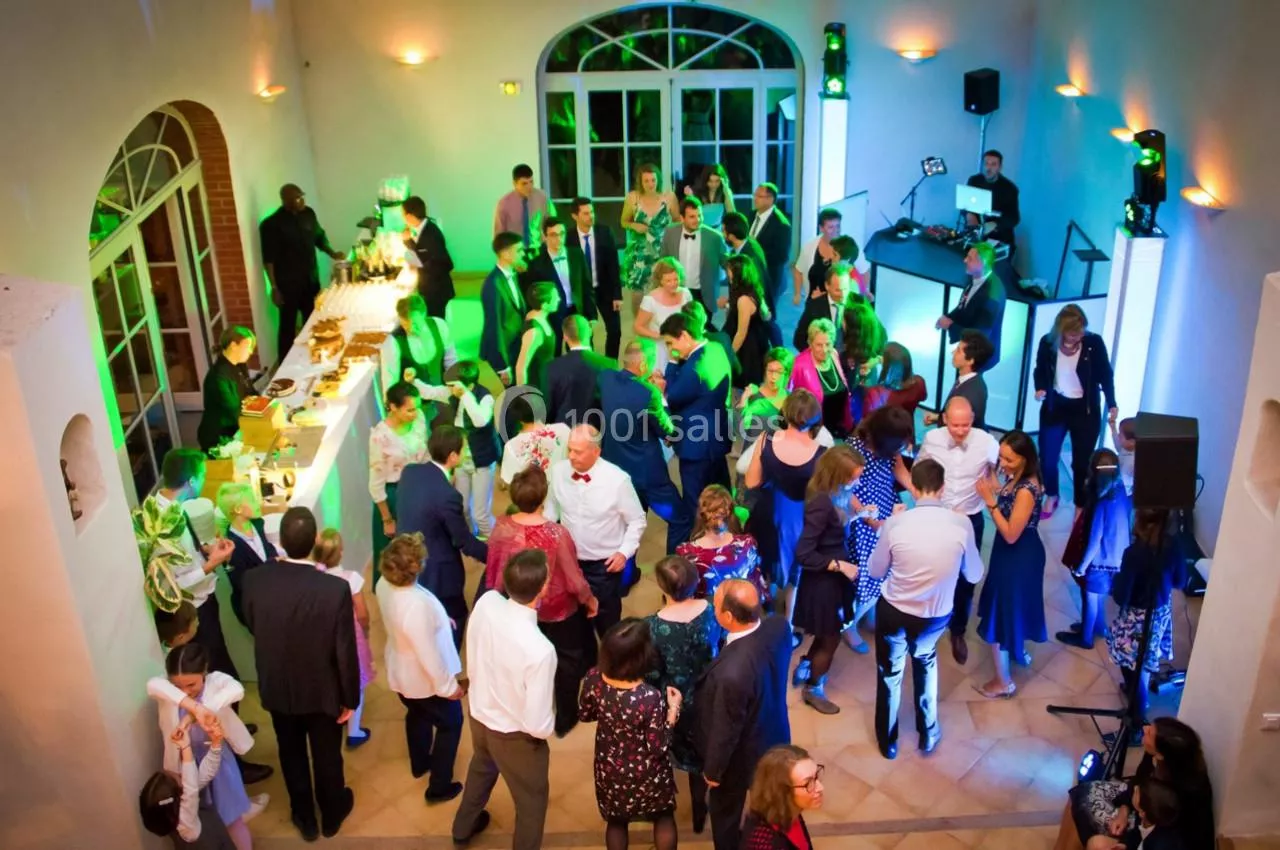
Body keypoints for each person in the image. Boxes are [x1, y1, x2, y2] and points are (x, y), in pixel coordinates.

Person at [241, 507, 359, 841]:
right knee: (326, 754)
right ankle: (332, 813)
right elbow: (344, 650)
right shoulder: (334, 588)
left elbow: (251, 621)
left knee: (290, 752)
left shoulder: (254, 580)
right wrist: (350, 698)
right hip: (322, 689)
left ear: (281, 541)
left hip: (277, 684)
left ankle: (303, 816)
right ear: (314, 541)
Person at [868, 458, 985, 758]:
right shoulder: (961, 524)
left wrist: (890, 526)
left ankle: (888, 742)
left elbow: (875, 571)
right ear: (943, 488)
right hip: (934, 615)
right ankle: (928, 733)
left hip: (894, 610)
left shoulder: (896, 523)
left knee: (889, 673)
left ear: (914, 488)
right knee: (925, 662)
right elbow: (974, 574)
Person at [451, 550, 557, 850]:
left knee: (481, 768)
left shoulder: (486, 603)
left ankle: (462, 827)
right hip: (514, 738)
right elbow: (537, 724)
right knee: (531, 802)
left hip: (479, 715)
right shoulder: (540, 650)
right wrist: (547, 728)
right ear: (542, 589)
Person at [485, 466, 597, 738]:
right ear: (543, 498)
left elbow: (494, 569)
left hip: (518, 604)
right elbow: (573, 579)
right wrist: (589, 599)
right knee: (567, 662)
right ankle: (565, 718)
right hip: (557, 610)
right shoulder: (557, 534)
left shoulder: (501, 527)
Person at [693, 579, 792, 850]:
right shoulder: (779, 627)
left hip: (741, 755)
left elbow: (726, 728)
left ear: (727, 617)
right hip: (775, 733)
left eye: (715, 604)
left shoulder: (732, 673)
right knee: (769, 801)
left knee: (725, 810)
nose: (712, 606)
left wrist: (713, 771)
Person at [374, 533, 466, 804]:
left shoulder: (383, 584)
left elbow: (414, 625)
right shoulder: (415, 606)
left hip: (401, 670)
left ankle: (420, 762)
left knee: (416, 714)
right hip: (421, 680)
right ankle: (438, 786)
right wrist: (448, 688)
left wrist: (440, 619)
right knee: (451, 723)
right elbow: (429, 656)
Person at [146, 644, 264, 850]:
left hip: (218, 762)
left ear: (205, 671)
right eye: (177, 686)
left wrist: (199, 711)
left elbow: (237, 689)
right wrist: (191, 705)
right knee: (200, 817)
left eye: (191, 684)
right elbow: (153, 685)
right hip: (185, 765)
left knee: (232, 819)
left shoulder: (216, 682)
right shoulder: (165, 688)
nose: (185, 691)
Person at [579, 620, 681, 850]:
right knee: (663, 817)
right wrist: (673, 712)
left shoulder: (593, 679)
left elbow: (585, 714)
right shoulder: (649, 697)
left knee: (616, 822)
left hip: (610, 769)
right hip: (649, 773)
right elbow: (658, 746)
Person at [916, 397, 999, 665]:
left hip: (970, 518)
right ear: (944, 420)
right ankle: (927, 621)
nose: (961, 430)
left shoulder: (988, 443)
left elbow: (997, 475)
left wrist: (991, 485)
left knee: (966, 578)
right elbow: (919, 469)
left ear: (973, 420)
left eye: (966, 425)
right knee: (931, 570)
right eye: (955, 425)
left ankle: (958, 630)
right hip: (937, 515)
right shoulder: (932, 439)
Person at [544, 425, 647, 638]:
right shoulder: (558, 471)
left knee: (607, 621)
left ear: (596, 452)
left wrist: (624, 553)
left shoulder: (617, 480)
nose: (571, 456)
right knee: (575, 620)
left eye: (578, 451)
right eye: (569, 449)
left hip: (603, 566)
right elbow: (551, 510)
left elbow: (637, 520)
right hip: (569, 561)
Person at [645, 555, 722, 836]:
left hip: (676, 701)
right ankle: (702, 807)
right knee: (708, 749)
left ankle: (680, 803)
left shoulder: (652, 626)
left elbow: (653, 672)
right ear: (696, 580)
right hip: (711, 693)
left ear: (662, 587)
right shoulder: (712, 610)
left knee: (682, 754)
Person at [1058, 717, 1213, 850]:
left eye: (1150, 733)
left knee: (1095, 841)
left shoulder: (1176, 797)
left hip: (1152, 830)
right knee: (1081, 795)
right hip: (1141, 808)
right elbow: (1137, 781)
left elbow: (1154, 836)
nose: (1144, 728)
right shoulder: (1154, 756)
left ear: (1161, 755)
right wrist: (1123, 811)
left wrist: (1126, 842)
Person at [396, 424, 488, 647]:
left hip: (403, 560)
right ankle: (448, 661)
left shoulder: (410, 472)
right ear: (453, 457)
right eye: (464, 449)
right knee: (456, 615)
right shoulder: (448, 496)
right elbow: (464, 541)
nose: (467, 452)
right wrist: (496, 554)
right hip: (435, 570)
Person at [598, 339, 692, 551]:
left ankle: (628, 567)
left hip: (615, 468)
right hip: (647, 475)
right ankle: (673, 565)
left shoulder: (606, 378)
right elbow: (669, 431)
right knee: (681, 519)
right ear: (643, 365)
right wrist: (660, 395)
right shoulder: (649, 393)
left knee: (629, 525)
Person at [153, 449, 238, 680]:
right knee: (217, 670)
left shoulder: (175, 507)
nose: (204, 481)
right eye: (202, 476)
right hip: (193, 608)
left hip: (203, 597)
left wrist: (206, 550)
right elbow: (174, 583)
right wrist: (212, 564)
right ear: (191, 481)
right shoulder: (165, 523)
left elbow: (185, 555)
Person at [744, 390, 826, 629]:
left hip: (767, 512)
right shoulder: (820, 453)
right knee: (794, 573)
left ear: (786, 411)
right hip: (798, 519)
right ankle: (787, 625)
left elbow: (751, 482)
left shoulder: (766, 439)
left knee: (765, 560)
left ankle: (765, 606)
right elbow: (820, 496)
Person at [974, 431, 1047, 698]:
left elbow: (1010, 533)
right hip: (1014, 553)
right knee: (1014, 607)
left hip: (1018, 556)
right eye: (1001, 457)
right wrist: (993, 480)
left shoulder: (1027, 490)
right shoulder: (1019, 476)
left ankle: (1003, 681)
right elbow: (1006, 495)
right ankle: (1017, 651)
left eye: (1009, 459)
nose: (1003, 464)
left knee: (1001, 610)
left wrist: (990, 503)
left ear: (1026, 459)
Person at [792, 446, 864, 715]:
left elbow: (835, 525)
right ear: (837, 475)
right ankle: (813, 688)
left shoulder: (833, 494)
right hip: (824, 583)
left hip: (833, 578)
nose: (857, 483)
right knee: (831, 637)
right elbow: (803, 553)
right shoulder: (821, 504)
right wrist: (839, 566)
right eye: (853, 478)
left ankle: (806, 664)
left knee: (825, 633)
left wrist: (858, 515)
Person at [1034, 303, 1118, 520]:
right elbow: (1040, 370)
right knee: (1048, 457)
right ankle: (1052, 494)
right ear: (1061, 331)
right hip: (1056, 406)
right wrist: (1040, 388)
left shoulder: (1093, 343)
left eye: (1081, 332)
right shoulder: (1047, 343)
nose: (1078, 337)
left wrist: (1112, 402)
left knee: (1081, 462)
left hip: (1085, 410)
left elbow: (1106, 375)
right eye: (1072, 334)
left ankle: (1080, 504)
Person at [843, 406, 916, 651]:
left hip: (886, 509)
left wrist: (919, 493)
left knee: (887, 569)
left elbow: (899, 470)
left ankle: (869, 611)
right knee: (866, 575)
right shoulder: (854, 449)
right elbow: (848, 492)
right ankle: (850, 624)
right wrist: (870, 519)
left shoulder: (891, 448)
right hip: (864, 520)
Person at [1107, 509, 1186, 723]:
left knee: (1130, 665)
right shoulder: (1174, 546)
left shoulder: (1134, 553)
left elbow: (1121, 596)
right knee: (1144, 660)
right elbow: (1180, 581)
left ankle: (1136, 722)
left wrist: (1116, 579)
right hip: (1159, 612)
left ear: (1139, 521)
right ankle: (1136, 696)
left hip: (1136, 617)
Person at [661, 310, 734, 519]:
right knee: (722, 497)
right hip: (717, 440)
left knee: (696, 504)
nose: (670, 349)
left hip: (695, 446)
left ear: (684, 336)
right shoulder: (716, 348)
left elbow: (672, 397)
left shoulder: (694, 368)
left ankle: (700, 537)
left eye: (670, 343)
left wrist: (671, 366)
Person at [259, 183, 344, 363]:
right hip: (288, 284)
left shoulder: (308, 214)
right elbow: (269, 259)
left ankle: (313, 355)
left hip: (310, 278)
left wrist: (332, 253)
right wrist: (274, 287)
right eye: (297, 198)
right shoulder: (271, 224)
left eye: (302, 196)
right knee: (288, 325)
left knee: (312, 319)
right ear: (286, 201)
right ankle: (285, 363)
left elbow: (319, 237)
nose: (302, 201)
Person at [1059, 449, 1132, 648]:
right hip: (1118, 558)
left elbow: (1094, 540)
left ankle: (1085, 638)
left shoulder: (1101, 503)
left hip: (1100, 560)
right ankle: (1098, 627)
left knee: (1089, 596)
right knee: (1100, 594)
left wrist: (1081, 567)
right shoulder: (1123, 493)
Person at [311, 529, 374, 748]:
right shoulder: (351, 578)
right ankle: (354, 731)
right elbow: (362, 613)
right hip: (351, 636)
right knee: (356, 681)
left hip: (322, 637)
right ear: (341, 553)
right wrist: (366, 630)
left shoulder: (313, 579)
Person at [139, 724, 236, 849]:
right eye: (180, 778)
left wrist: (216, 744)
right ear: (179, 796)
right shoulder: (187, 825)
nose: (182, 775)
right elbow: (191, 788)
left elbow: (204, 775)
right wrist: (185, 747)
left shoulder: (174, 814)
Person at [368, 381, 428, 581]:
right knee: (398, 554)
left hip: (419, 488)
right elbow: (376, 482)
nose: (415, 413)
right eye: (410, 410)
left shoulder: (419, 419)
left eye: (417, 408)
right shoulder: (380, 437)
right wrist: (387, 519)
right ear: (393, 407)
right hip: (396, 495)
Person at [676, 484, 768, 604]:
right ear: (730, 514)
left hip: (707, 614)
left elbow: (684, 596)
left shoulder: (686, 553)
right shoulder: (747, 544)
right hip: (741, 610)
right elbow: (757, 586)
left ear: (701, 514)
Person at [444, 360, 499, 539]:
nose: (450, 389)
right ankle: (472, 539)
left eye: (453, 385)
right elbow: (432, 392)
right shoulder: (453, 394)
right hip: (462, 460)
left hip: (482, 460)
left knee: (480, 514)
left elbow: (480, 421)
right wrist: (413, 382)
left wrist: (466, 396)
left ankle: (497, 544)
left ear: (467, 385)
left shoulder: (485, 397)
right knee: (463, 509)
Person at [523, 217, 592, 353]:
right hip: (552, 314)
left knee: (582, 351)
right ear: (545, 237)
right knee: (554, 351)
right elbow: (534, 296)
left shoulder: (577, 254)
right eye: (553, 235)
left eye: (562, 234)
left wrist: (591, 316)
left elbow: (586, 286)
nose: (559, 239)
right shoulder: (537, 264)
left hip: (576, 310)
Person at [381, 293, 458, 412]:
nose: (411, 329)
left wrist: (456, 387)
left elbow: (451, 361)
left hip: (444, 399)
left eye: (415, 324)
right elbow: (390, 381)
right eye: (405, 325)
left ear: (424, 314)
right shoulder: (393, 342)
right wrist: (391, 409)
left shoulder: (440, 325)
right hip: (414, 409)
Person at [567, 197, 624, 358]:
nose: (590, 216)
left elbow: (614, 264)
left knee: (615, 330)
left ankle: (610, 363)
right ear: (575, 216)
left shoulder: (604, 232)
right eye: (585, 213)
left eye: (591, 212)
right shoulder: (568, 238)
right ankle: (588, 364)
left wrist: (617, 295)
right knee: (584, 333)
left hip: (604, 289)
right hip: (582, 293)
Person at [217, 482, 279, 629]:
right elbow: (244, 583)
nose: (258, 503)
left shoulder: (258, 524)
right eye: (252, 499)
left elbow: (268, 549)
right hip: (256, 609)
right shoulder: (230, 548)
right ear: (238, 509)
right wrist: (272, 564)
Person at [621, 162, 681, 313]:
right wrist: (634, 225)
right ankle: (639, 323)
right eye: (646, 181)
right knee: (637, 291)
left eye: (653, 180)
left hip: (662, 251)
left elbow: (677, 220)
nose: (650, 184)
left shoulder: (669, 197)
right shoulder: (633, 198)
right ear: (640, 182)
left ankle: (662, 322)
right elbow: (623, 221)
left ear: (658, 180)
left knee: (663, 288)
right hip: (639, 252)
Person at [936, 243, 1006, 371]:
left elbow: (980, 336)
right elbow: (964, 306)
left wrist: (950, 325)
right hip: (968, 350)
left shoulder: (991, 298)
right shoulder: (976, 278)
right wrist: (948, 318)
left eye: (970, 258)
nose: (965, 260)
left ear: (982, 263)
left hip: (979, 358)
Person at [739, 745, 824, 850]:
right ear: (783, 792)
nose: (820, 787)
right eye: (808, 783)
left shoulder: (789, 812)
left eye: (816, 777)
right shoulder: (766, 842)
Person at [661, 196, 728, 324]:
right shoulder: (670, 232)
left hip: (704, 294)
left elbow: (727, 264)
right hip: (677, 290)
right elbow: (663, 261)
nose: (697, 220)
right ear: (682, 218)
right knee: (677, 328)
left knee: (703, 329)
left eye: (699, 215)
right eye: (692, 216)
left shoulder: (715, 237)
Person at [197, 327, 257, 453]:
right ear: (233, 345)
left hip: (236, 427)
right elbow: (233, 410)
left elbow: (250, 392)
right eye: (248, 346)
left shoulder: (240, 364)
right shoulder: (218, 376)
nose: (251, 351)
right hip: (220, 437)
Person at [479, 231, 527, 386]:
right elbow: (494, 326)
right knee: (513, 395)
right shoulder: (493, 285)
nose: (523, 254)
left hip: (515, 347)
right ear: (506, 254)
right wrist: (502, 366)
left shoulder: (513, 275)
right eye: (519, 250)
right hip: (504, 352)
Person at [789, 319, 850, 439]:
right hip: (813, 433)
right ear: (810, 343)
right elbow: (790, 400)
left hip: (837, 429)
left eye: (828, 344)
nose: (824, 350)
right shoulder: (798, 365)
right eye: (819, 345)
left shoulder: (833, 355)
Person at [546, 315, 612, 426]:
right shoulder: (610, 365)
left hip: (564, 429)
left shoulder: (552, 367)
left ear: (565, 337)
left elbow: (549, 407)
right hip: (598, 428)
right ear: (590, 332)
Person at [634, 256, 694, 375]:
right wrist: (658, 335)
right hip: (661, 350)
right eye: (668, 281)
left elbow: (692, 319)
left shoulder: (686, 294)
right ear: (660, 281)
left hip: (684, 348)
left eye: (676, 279)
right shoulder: (650, 300)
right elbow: (638, 326)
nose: (673, 284)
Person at [926, 330, 994, 430]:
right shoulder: (969, 380)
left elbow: (959, 429)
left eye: (958, 351)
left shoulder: (970, 395)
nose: (953, 352)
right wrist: (938, 418)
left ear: (970, 360)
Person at [722, 253, 773, 388]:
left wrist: (729, 356)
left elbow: (741, 333)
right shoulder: (752, 289)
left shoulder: (744, 300)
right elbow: (766, 315)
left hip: (747, 350)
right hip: (755, 342)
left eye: (729, 270)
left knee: (742, 385)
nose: (727, 273)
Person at [401, 195, 455, 319]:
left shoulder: (430, 234)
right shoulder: (424, 228)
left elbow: (426, 262)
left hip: (436, 290)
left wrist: (408, 242)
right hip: (433, 286)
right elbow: (422, 256)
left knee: (436, 321)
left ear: (409, 216)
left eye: (403, 215)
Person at [498, 395, 570, 485]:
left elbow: (511, 482)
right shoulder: (563, 430)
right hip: (562, 490)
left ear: (519, 418)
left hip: (534, 493)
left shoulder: (512, 446)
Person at [842, 297, 889, 425]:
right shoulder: (868, 330)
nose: (842, 322)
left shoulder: (877, 331)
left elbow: (886, 355)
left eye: (844, 320)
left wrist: (875, 361)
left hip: (863, 382)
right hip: (858, 380)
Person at [722, 210, 775, 316]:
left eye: (723, 231)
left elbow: (752, 292)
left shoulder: (749, 260)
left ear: (731, 236)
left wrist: (727, 304)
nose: (722, 234)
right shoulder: (748, 244)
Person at [493, 163, 555, 252]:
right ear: (514, 183)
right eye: (524, 183)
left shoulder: (542, 197)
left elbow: (553, 223)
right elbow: (499, 234)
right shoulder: (504, 204)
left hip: (539, 249)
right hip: (515, 252)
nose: (529, 187)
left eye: (531, 182)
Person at [749, 183, 793, 307]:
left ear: (770, 199)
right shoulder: (752, 215)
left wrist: (756, 256)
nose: (755, 199)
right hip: (750, 275)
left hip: (768, 280)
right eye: (755, 195)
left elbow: (782, 256)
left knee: (766, 314)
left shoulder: (781, 224)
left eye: (759, 196)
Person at [965, 150, 1021, 246]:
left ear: (1000, 167)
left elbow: (1014, 218)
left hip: (999, 237)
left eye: (993, 164)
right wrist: (969, 214)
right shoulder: (974, 180)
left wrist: (995, 224)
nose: (988, 168)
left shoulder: (1010, 188)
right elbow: (965, 202)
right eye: (986, 164)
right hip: (976, 234)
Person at [793, 263, 853, 351]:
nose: (843, 295)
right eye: (838, 290)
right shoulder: (814, 307)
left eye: (845, 289)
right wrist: (816, 354)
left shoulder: (858, 304)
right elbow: (799, 339)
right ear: (827, 286)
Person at [738, 347, 792, 443]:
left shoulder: (791, 400)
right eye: (770, 370)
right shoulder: (753, 396)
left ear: (787, 374)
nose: (773, 376)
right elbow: (739, 430)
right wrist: (743, 400)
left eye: (779, 372)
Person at [514, 280, 560, 391]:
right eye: (555, 298)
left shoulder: (539, 318)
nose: (559, 299)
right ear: (544, 305)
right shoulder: (534, 331)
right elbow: (521, 367)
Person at [792, 208, 843, 306]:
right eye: (831, 227)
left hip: (838, 304)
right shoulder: (809, 247)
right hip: (813, 302)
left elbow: (863, 271)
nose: (836, 231)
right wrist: (797, 294)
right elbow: (798, 271)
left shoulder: (848, 246)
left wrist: (864, 290)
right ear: (821, 228)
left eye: (838, 226)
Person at [865, 342, 928, 420]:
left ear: (889, 366)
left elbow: (869, 415)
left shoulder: (880, 394)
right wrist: (879, 360)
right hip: (907, 425)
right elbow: (923, 397)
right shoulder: (920, 382)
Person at [1110, 416, 1137, 495]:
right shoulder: (1123, 448)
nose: (1118, 436)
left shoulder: (1136, 459)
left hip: (1126, 491)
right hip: (1116, 484)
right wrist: (1113, 427)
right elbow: (1116, 442)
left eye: (1121, 435)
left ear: (1132, 442)